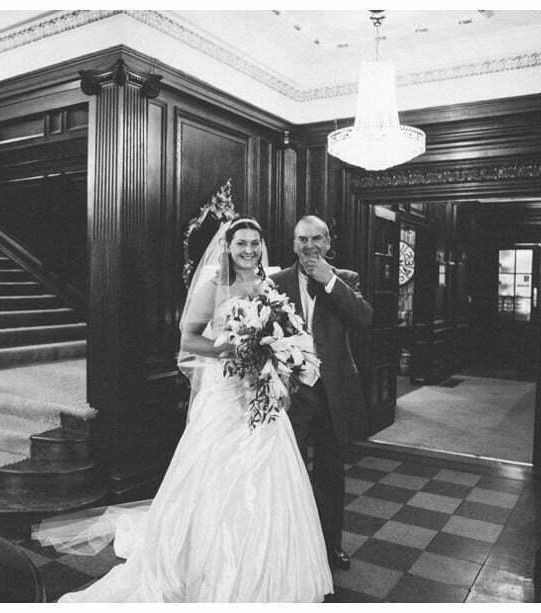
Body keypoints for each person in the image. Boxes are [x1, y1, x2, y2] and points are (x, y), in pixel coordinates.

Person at [36, 216, 332, 602]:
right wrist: (234, 349)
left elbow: (280, 336)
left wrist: (275, 358)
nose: (249, 250)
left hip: (260, 396)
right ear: (228, 247)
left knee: (270, 475)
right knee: (217, 477)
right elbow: (188, 340)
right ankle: (208, 565)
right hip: (225, 394)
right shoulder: (214, 286)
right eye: (241, 243)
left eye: (254, 243)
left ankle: (267, 567)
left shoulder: (268, 285)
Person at [269, 215, 374, 571]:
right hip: (293, 394)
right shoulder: (276, 282)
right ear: (294, 243)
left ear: (328, 243)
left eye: (317, 238)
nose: (309, 246)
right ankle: (294, 549)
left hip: (333, 394)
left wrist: (329, 280)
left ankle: (330, 546)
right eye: (302, 239)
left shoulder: (346, 279)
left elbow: (364, 318)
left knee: (330, 473)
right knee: (291, 473)